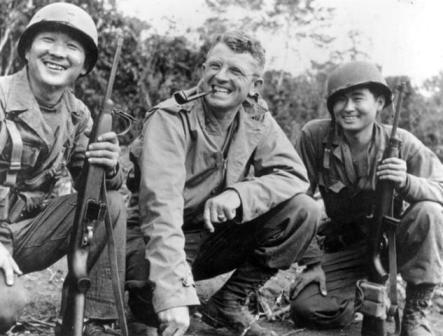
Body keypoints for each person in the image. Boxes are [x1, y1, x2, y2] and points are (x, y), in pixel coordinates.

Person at [125, 31, 321, 336]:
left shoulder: (256, 117)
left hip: (212, 236)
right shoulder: (170, 118)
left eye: (236, 71)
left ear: (255, 85)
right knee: (153, 315)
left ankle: (228, 302)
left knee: (303, 210)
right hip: (157, 237)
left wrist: (239, 196)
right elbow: (159, 212)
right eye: (214, 66)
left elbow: (294, 176)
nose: (221, 77)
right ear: (203, 70)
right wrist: (173, 294)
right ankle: (155, 305)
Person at [0, 3, 127, 335]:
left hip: (23, 233)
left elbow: (94, 189)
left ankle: (94, 319)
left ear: (84, 66)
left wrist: (109, 167)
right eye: (47, 40)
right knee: (5, 304)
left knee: (109, 205)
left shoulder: (78, 115)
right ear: (27, 49)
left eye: (72, 47)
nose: (58, 53)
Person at [291, 60, 443, 336]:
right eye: (340, 100)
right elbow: (295, 197)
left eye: (357, 99)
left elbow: (440, 188)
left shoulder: (403, 143)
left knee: (429, 211)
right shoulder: (315, 136)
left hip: (394, 247)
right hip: (344, 247)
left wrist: (407, 182)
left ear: (379, 103)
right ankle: (364, 296)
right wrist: (311, 262)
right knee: (307, 309)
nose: (348, 108)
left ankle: (414, 315)